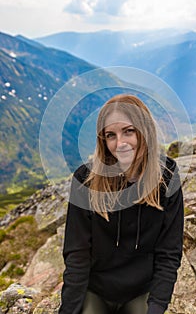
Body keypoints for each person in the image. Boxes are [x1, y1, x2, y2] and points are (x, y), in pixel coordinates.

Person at [59, 94, 184, 314]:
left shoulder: (167, 177)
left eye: (129, 131)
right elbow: (77, 255)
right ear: (103, 141)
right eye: (111, 135)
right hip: (96, 291)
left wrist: (156, 307)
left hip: (140, 292)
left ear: (144, 131)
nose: (120, 143)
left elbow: (169, 253)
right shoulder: (85, 180)